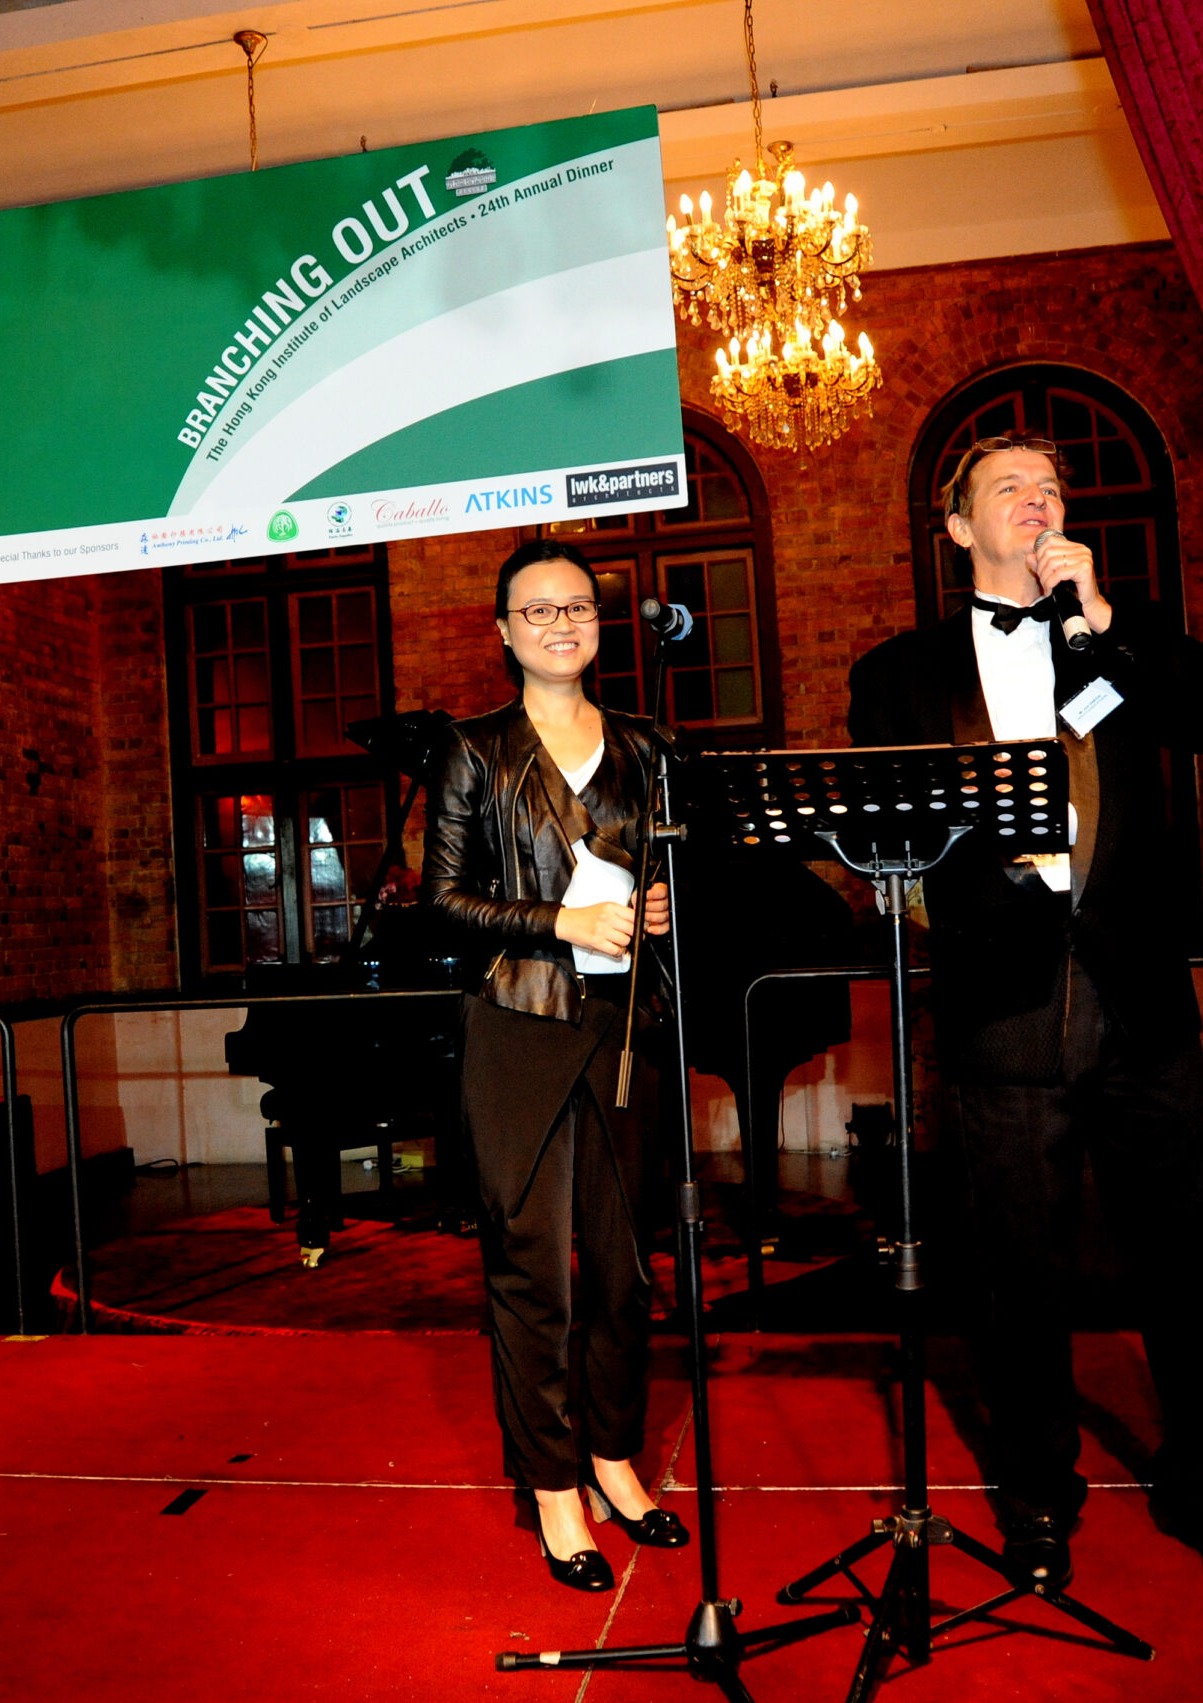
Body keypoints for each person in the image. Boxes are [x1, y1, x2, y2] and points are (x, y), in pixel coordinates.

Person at [847, 434, 1203, 1596]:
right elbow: (881, 832)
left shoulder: (1114, 639)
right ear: (957, 528)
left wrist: (1101, 620)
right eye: (1009, 489)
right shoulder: (898, 673)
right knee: (1018, 1279)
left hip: (1139, 1005)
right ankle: (1039, 1497)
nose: (1036, 502)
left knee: (1183, 1265)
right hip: (1001, 1005)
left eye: (1050, 488)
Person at [424, 537, 690, 1592]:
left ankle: (614, 1455)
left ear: (598, 619)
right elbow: (444, 901)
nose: (559, 623)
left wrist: (662, 909)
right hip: (517, 1030)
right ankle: (551, 1484)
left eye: (575, 605)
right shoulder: (474, 749)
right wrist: (558, 919)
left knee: (625, 1269)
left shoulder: (648, 745)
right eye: (535, 610)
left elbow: (683, 876)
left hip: (624, 1025)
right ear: (503, 631)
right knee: (534, 1270)